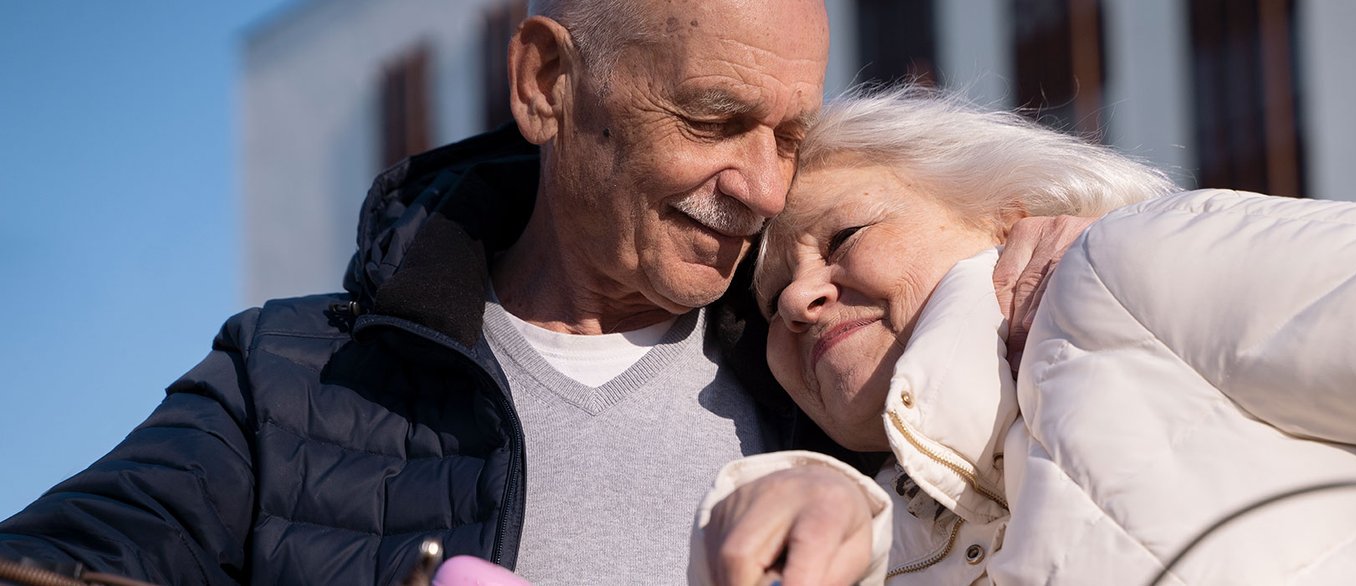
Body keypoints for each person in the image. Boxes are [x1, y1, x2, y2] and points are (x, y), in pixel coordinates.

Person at [0, 3, 1079, 584]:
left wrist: (1073, 256)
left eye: (787, 136)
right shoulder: (286, 380)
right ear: (547, 83)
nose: (759, 187)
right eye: (710, 120)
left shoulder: (826, 360)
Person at [693, 88, 1356, 585]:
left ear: (1003, 211)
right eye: (770, 304)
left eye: (843, 238)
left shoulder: (1128, 275)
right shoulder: (867, 552)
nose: (803, 297)